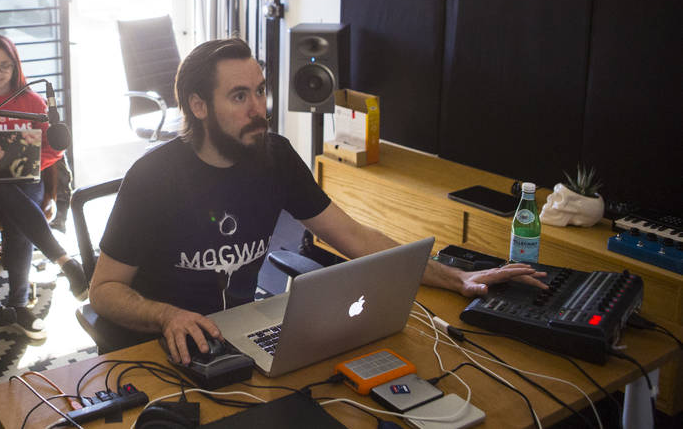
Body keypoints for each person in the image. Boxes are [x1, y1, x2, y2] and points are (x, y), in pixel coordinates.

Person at [91, 38, 547, 364]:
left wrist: (457, 278)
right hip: (155, 348)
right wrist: (168, 315)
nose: (260, 108)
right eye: (239, 96)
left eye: (261, 90)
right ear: (198, 106)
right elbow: (103, 291)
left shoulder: (275, 158)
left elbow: (352, 236)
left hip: (238, 339)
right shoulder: (153, 178)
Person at [0, 35, 88, 340]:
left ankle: (18, 305)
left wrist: (25, 158)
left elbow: (55, 151)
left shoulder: (33, 102)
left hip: (25, 185)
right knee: (4, 191)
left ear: (15, 67)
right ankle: (62, 262)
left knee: (15, 207)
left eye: (4, 66)